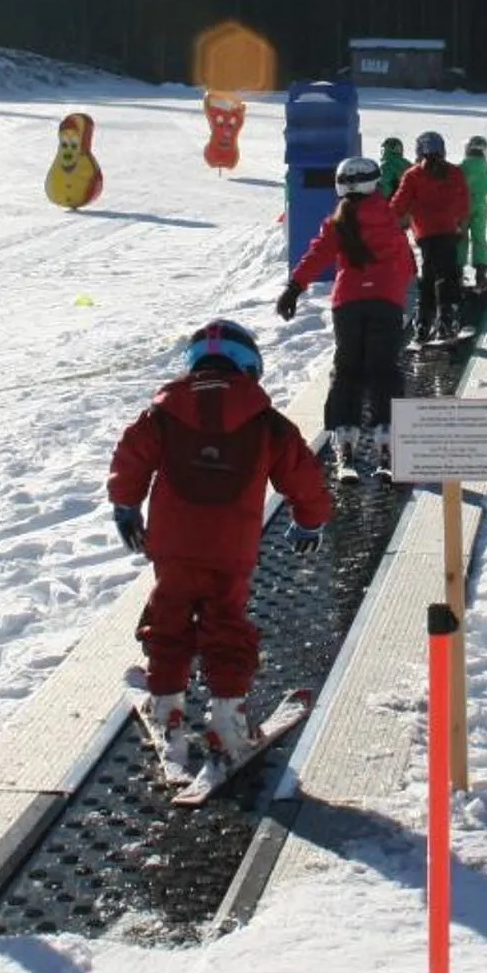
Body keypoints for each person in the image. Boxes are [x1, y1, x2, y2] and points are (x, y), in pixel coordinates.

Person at [108, 319, 332, 773]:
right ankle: (228, 720)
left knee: (168, 618)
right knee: (226, 626)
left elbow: (131, 457)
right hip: (231, 549)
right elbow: (304, 477)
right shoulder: (265, 421)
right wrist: (310, 522)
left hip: (172, 545)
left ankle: (169, 711)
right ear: (250, 366)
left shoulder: (164, 412)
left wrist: (126, 506)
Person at [277, 154, 416, 470]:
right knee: (384, 369)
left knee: (347, 367)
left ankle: (344, 438)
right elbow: (406, 262)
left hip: (348, 303)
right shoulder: (389, 217)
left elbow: (317, 254)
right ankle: (387, 437)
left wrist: (294, 288)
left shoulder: (338, 222)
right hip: (386, 302)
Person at [390, 131, 474, 345]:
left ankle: (423, 324)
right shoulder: (454, 172)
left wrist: (384, 222)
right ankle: (446, 320)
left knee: (428, 274)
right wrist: (460, 222)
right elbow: (464, 200)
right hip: (449, 230)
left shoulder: (412, 175)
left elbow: (399, 204)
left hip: (425, 233)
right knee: (447, 274)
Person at [460, 134, 487, 293]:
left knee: (461, 239)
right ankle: (481, 275)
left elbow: (454, 183)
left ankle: (457, 273)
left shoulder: (463, 165)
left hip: (462, 207)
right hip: (480, 206)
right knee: (479, 238)